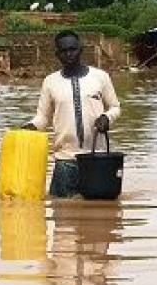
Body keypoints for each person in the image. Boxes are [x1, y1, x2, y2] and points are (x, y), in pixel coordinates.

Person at [23, 30, 122, 198]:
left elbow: (115, 107)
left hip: (96, 159)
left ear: (81, 50)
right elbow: (43, 117)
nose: (69, 54)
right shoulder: (50, 82)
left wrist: (106, 117)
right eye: (63, 51)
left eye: (73, 49)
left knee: (99, 218)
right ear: (57, 54)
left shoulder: (100, 77)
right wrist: (29, 127)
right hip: (65, 160)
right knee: (62, 215)